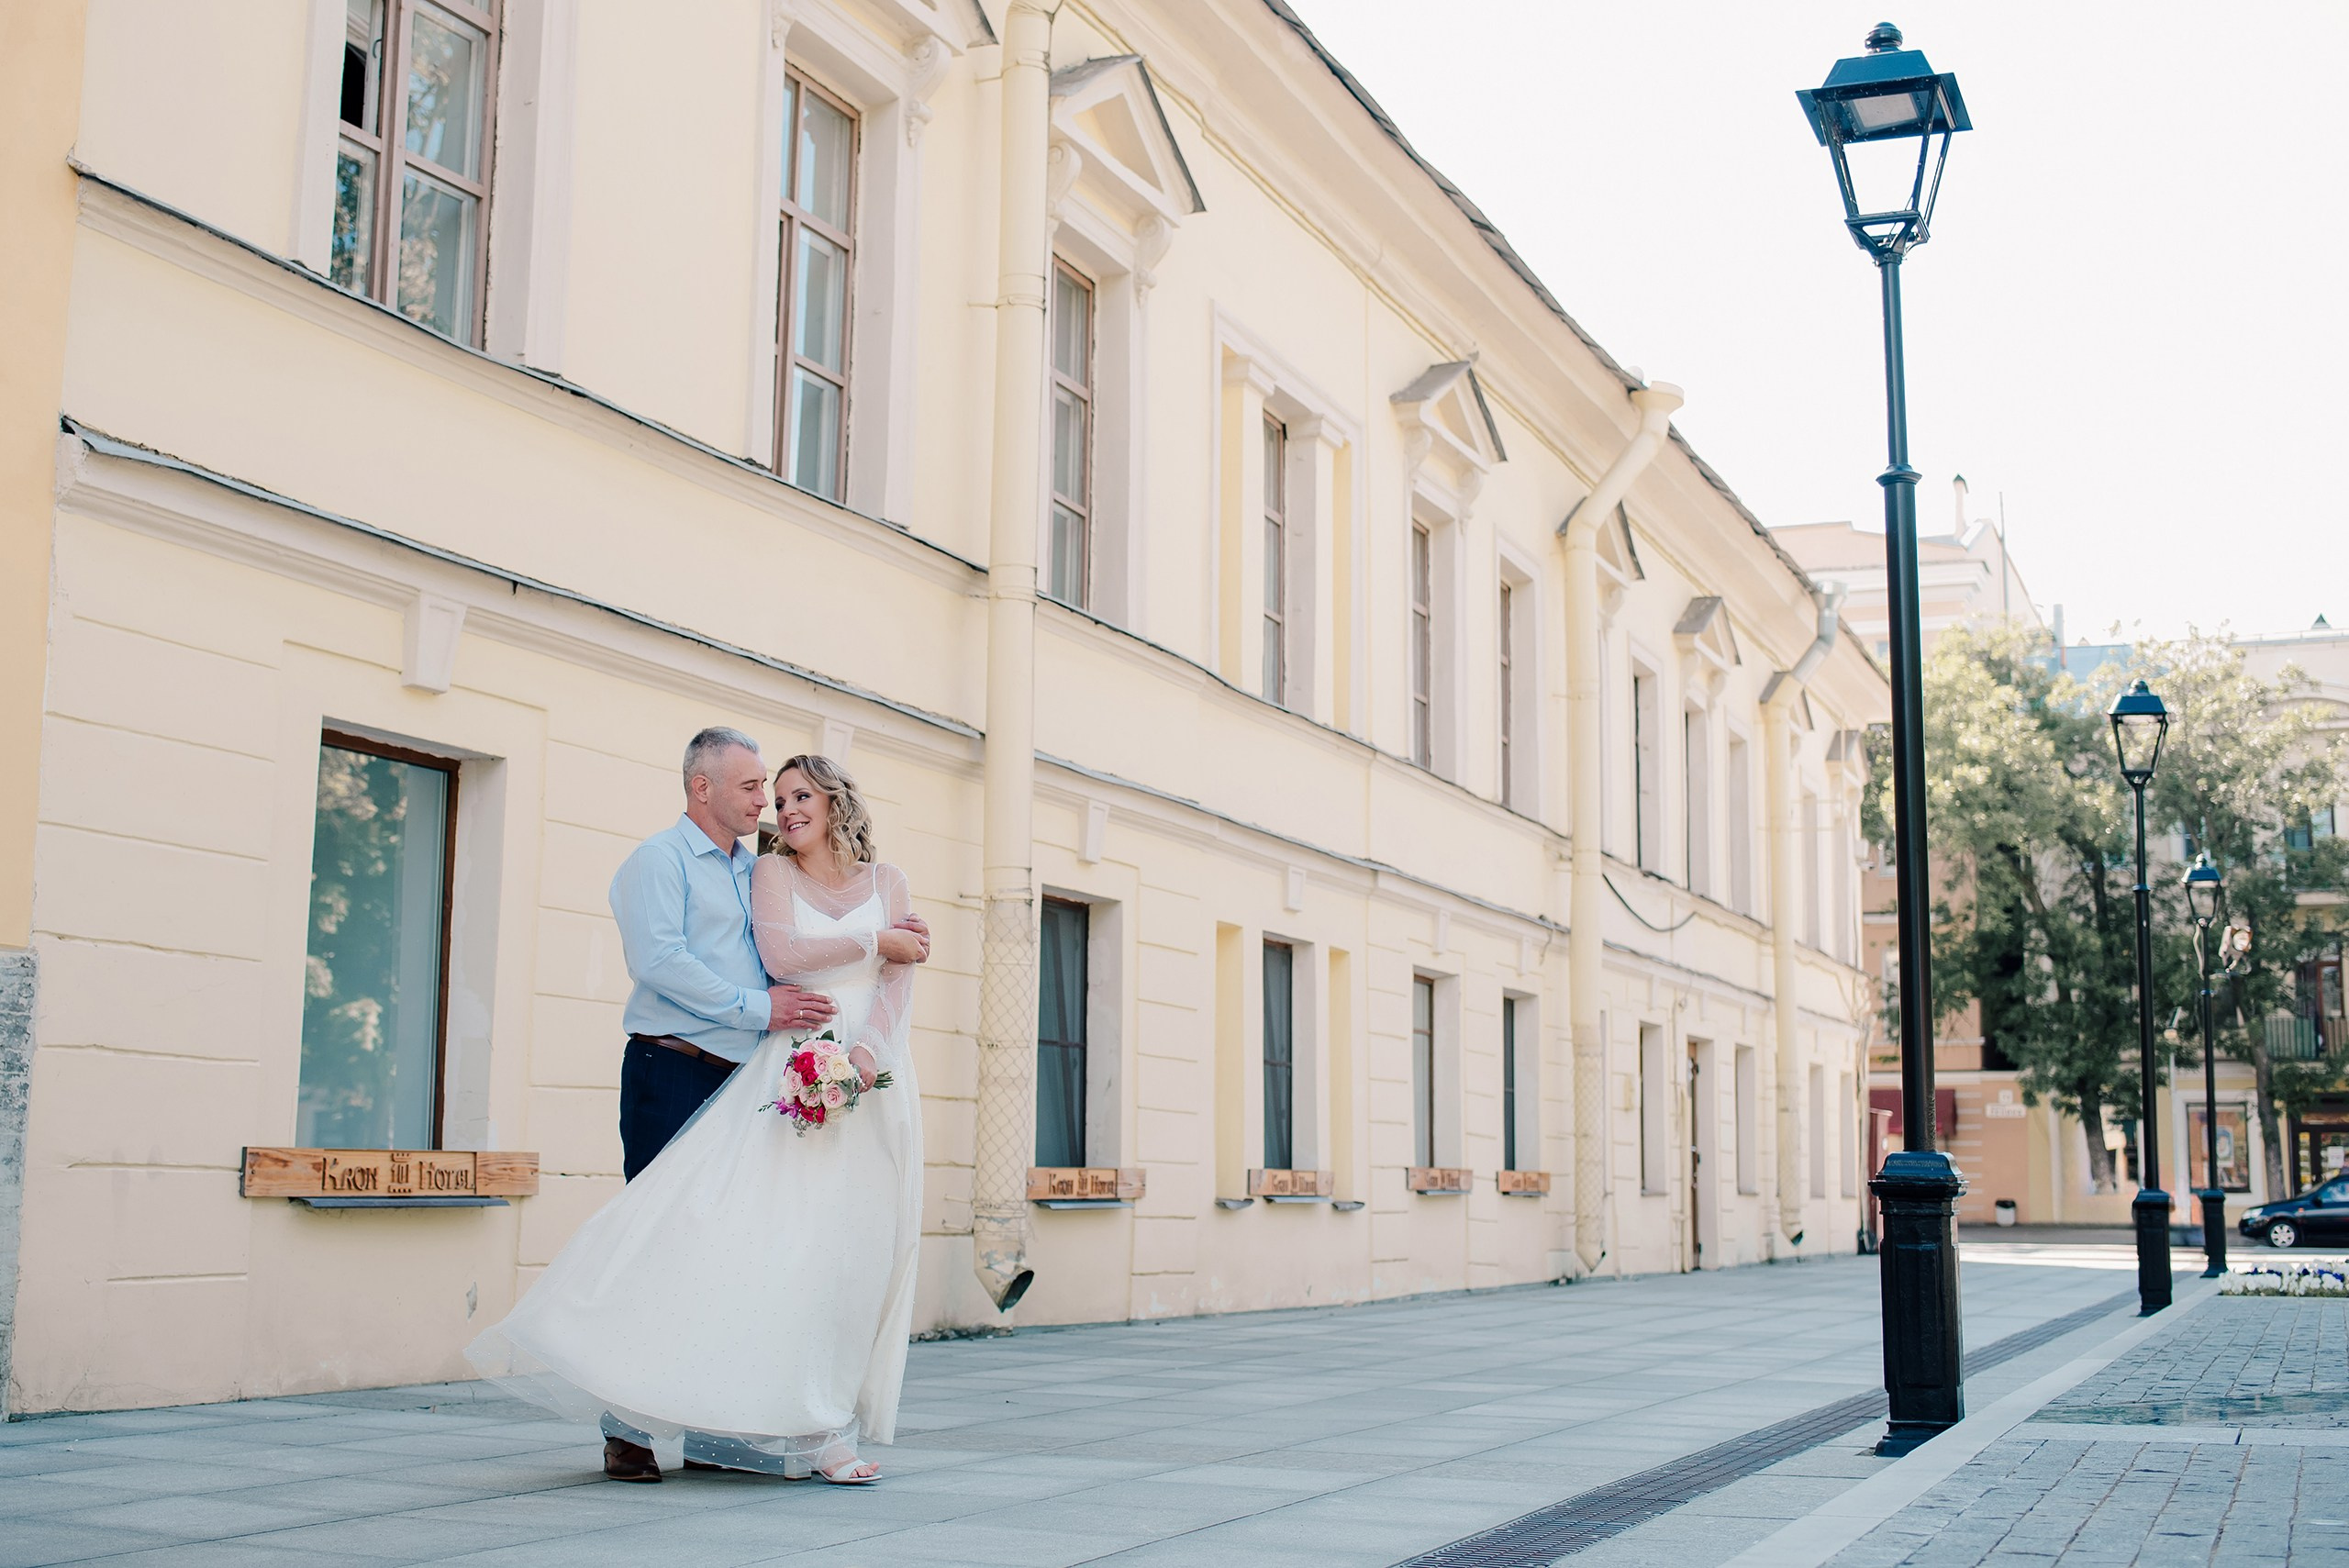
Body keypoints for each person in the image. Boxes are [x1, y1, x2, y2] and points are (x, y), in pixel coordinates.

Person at [465, 733, 929, 1485]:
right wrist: (766, 1006)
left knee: (740, 1250)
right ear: (702, 787)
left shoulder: (757, 867)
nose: (767, 804)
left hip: (757, 1073)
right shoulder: (661, 861)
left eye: (778, 793)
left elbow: (876, 967)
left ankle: (720, 1427)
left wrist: (863, 1035)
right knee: (664, 1239)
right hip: (674, 1066)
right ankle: (628, 1429)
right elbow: (663, 962)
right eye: (755, 789)